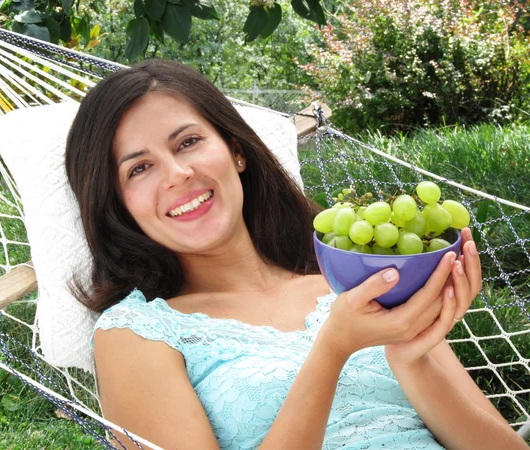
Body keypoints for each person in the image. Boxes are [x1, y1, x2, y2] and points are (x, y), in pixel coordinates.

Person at [64, 60, 527, 450]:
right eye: (139, 168)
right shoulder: (136, 335)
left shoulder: (356, 280)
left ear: (236, 151)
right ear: (117, 203)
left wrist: (410, 358)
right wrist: (332, 350)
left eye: (188, 142)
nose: (178, 173)